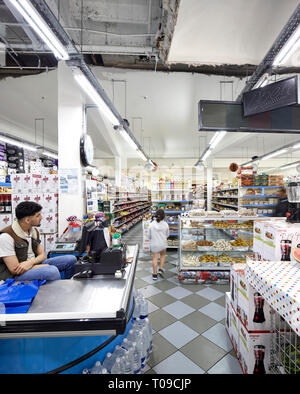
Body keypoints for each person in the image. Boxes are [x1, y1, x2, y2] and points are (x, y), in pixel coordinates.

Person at [0, 201, 76, 281]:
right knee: (52, 271)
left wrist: (30, 263)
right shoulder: (6, 237)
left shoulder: (33, 231)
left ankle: (68, 288)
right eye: (38, 215)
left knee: (71, 259)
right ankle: (56, 293)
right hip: (15, 276)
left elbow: (43, 255)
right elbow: (15, 270)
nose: (41, 217)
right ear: (27, 220)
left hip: (32, 265)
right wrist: (44, 266)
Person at [149, 209, 169, 280]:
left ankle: (155, 275)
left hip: (154, 243)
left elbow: (149, 235)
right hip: (163, 243)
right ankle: (160, 269)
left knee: (155, 258)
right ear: (163, 216)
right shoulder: (166, 224)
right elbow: (167, 235)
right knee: (163, 255)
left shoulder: (151, 224)